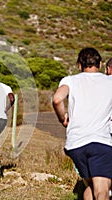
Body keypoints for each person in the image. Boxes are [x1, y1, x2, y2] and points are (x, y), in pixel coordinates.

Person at [52, 47, 112, 200]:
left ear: (79, 65)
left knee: (91, 187)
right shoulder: (109, 81)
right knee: (102, 190)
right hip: (101, 142)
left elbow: (57, 99)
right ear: (100, 64)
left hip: (75, 144)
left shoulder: (70, 80)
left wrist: (62, 118)